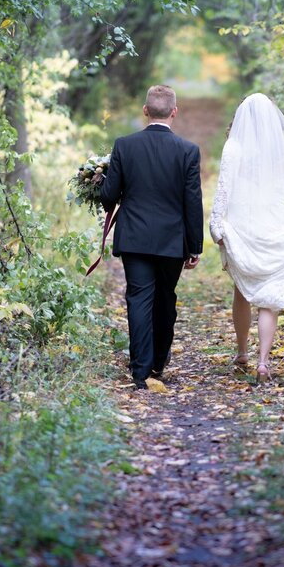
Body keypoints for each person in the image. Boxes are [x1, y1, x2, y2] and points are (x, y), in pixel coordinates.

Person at [99, 84, 203, 389]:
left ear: (145, 111)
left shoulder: (124, 146)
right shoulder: (188, 151)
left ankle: (140, 369)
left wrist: (100, 182)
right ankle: (158, 361)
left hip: (134, 238)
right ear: (174, 112)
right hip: (172, 241)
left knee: (138, 298)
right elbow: (192, 202)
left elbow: (109, 197)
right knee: (164, 299)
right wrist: (194, 247)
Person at [209, 93, 284, 383]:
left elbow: (224, 189)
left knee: (242, 290)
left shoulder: (234, 148)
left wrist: (216, 225)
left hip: (243, 228)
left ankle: (242, 351)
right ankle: (263, 361)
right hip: (275, 225)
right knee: (270, 298)